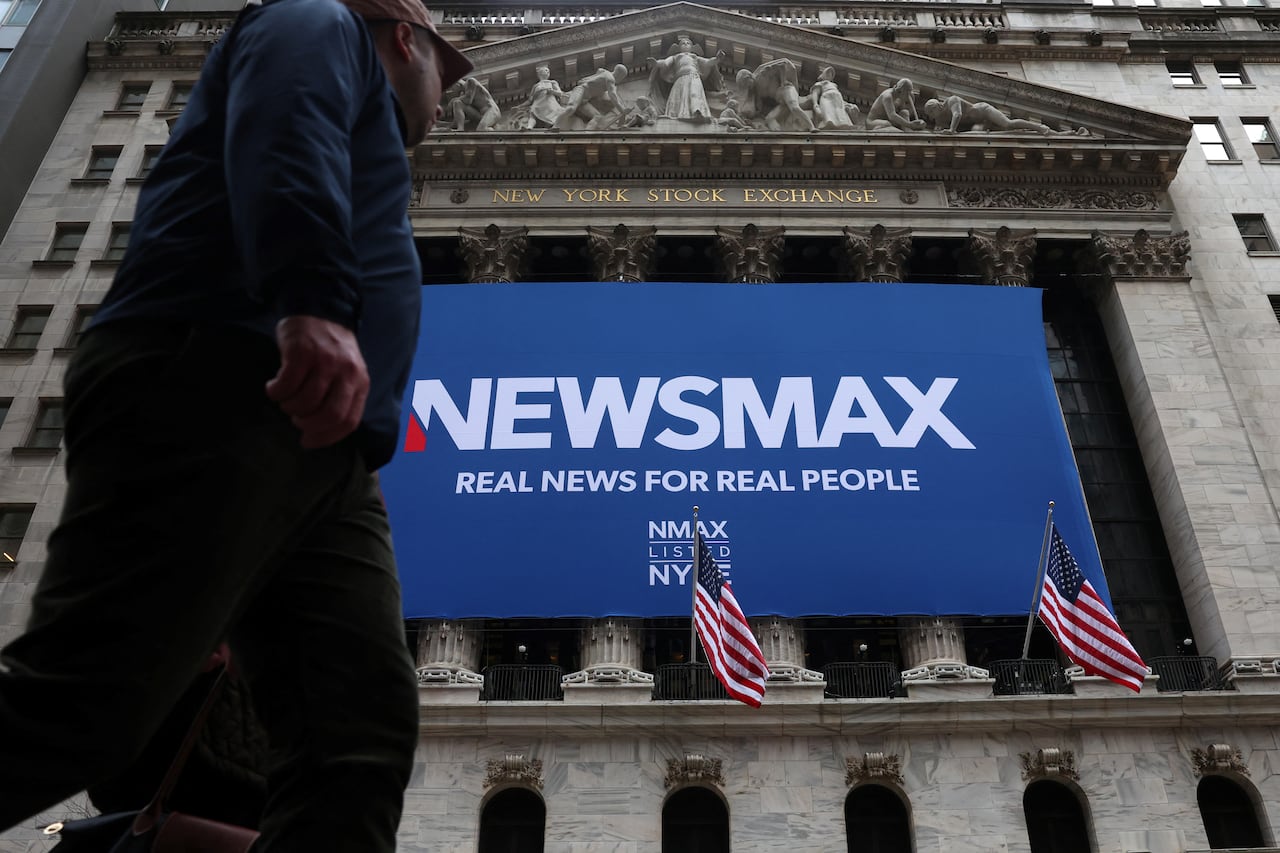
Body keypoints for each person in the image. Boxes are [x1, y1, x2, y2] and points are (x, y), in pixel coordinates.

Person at [0, 0, 472, 850]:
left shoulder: (370, 126)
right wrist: (311, 299)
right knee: (86, 701)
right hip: (225, 368)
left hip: (322, 456)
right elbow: (283, 131)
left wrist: (354, 456)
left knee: (355, 740)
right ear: (406, 38)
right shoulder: (314, 22)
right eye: (451, 70)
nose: (450, 99)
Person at [922, 94, 1089, 135]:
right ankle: (1061, 134)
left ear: (935, 106)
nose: (932, 116)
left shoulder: (952, 100)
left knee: (1008, 125)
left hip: (984, 112)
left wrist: (951, 131)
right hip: (979, 125)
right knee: (1012, 133)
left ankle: (1040, 128)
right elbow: (937, 129)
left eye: (931, 112)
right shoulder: (941, 116)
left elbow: (957, 115)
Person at [646, 35, 724, 122]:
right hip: (680, 78)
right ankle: (677, 113)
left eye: (688, 43)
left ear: (691, 47)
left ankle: (697, 111)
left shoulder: (694, 57)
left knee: (694, 94)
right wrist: (656, 63)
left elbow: (707, 62)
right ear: (679, 48)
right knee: (678, 97)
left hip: (694, 77)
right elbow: (665, 63)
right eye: (683, 43)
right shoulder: (676, 57)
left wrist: (717, 59)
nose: (686, 44)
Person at [553, 63, 628, 130]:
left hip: (585, 100)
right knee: (571, 108)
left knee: (597, 116)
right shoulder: (610, 78)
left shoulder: (605, 73)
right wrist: (622, 110)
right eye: (622, 77)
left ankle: (587, 134)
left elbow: (599, 72)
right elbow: (613, 96)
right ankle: (555, 126)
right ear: (619, 74)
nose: (620, 80)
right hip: (581, 91)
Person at [513, 63, 570, 129]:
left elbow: (560, 93)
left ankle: (555, 126)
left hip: (549, 103)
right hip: (537, 103)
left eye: (548, 71)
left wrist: (551, 91)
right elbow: (530, 100)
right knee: (533, 114)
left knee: (554, 114)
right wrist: (519, 106)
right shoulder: (536, 86)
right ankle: (529, 127)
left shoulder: (552, 82)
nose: (548, 72)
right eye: (545, 70)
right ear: (539, 73)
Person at [805, 64, 858, 130]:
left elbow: (841, 99)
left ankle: (842, 124)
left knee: (839, 111)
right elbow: (815, 93)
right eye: (828, 73)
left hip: (837, 99)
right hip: (827, 97)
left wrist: (847, 104)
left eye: (831, 74)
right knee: (828, 111)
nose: (830, 75)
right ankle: (829, 124)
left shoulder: (834, 85)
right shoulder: (821, 83)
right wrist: (815, 104)